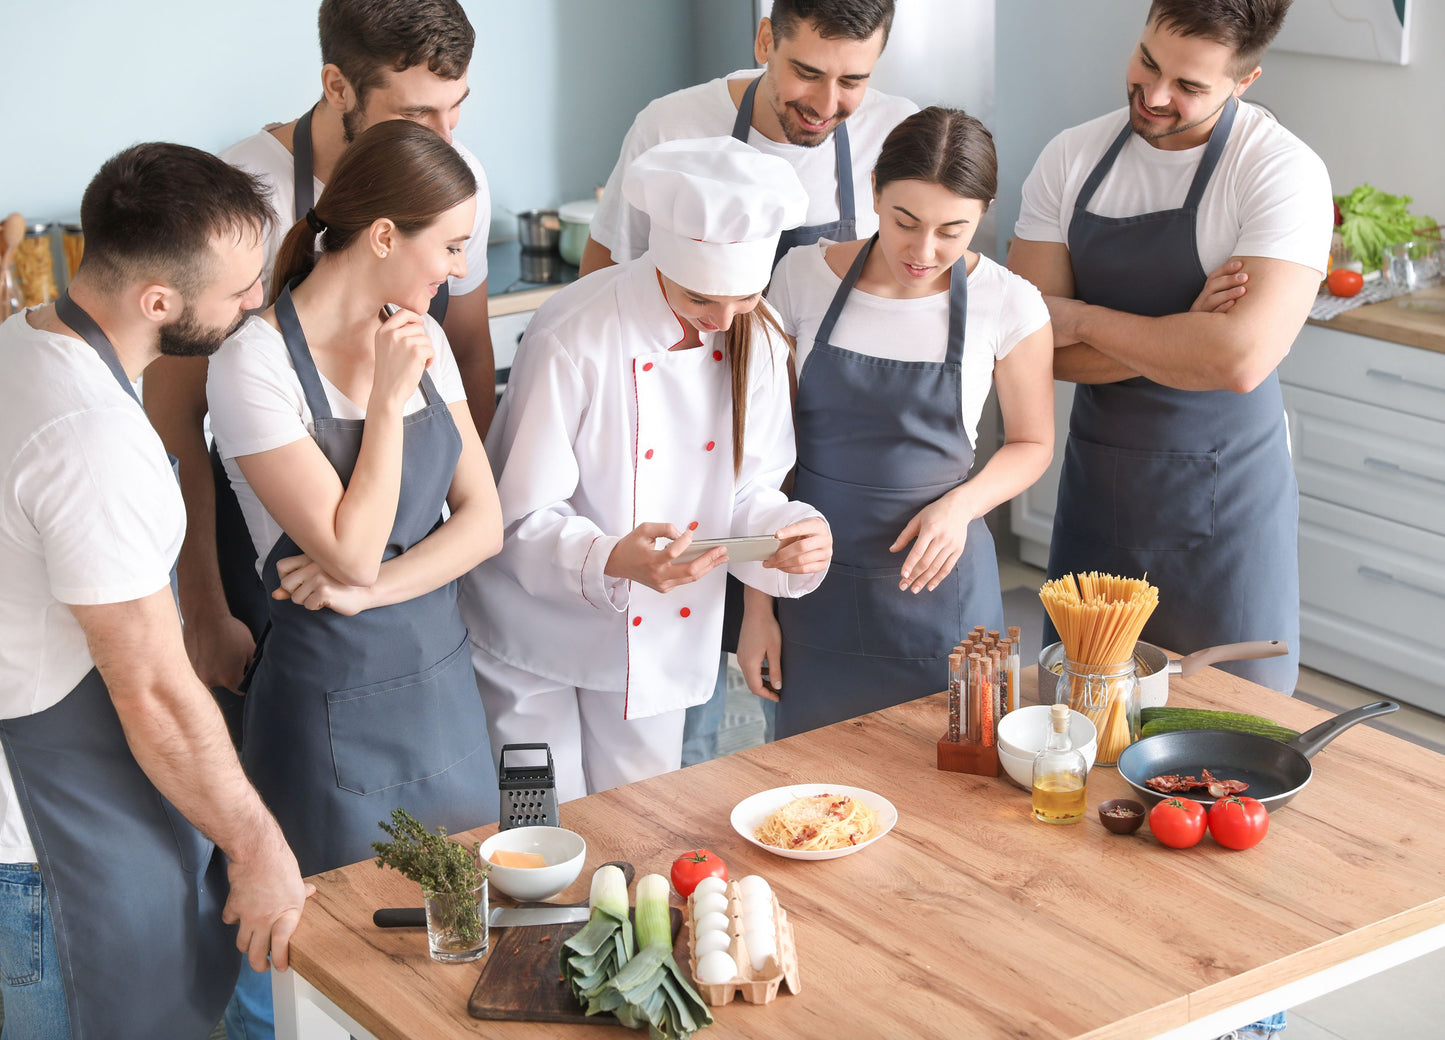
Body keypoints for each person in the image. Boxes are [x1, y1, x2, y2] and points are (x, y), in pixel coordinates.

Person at [0, 142, 310, 1039]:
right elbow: (156, 695)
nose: (257, 301)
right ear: (159, 303)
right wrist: (259, 848)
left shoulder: (23, 340)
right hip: (51, 850)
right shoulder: (88, 439)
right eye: (241, 289)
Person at [207, 119, 503, 1037]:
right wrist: (383, 399)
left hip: (442, 689)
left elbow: (483, 526)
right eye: (447, 247)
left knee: (460, 947)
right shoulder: (252, 362)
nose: (452, 272)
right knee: (330, 972)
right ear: (384, 236)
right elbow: (347, 547)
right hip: (327, 711)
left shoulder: (419, 336)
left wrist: (372, 593)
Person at [143, 0, 497, 744]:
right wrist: (204, 607)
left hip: (414, 608)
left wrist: (454, 543)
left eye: (454, 109)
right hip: (268, 557)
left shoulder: (452, 187)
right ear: (339, 86)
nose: (444, 138)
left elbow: (465, 351)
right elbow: (173, 417)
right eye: (416, 113)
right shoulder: (236, 194)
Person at [583, 0, 916, 764]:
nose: (826, 104)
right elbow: (604, 281)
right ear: (765, 38)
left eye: (853, 81)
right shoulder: (672, 125)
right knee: (683, 697)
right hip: (684, 449)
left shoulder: (895, 137)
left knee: (801, 703)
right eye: (805, 71)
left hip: (825, 451)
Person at [461, 138, 833, 802]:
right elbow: (517, 518)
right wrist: (610, 557)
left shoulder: (762, 334)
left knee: (642, 824)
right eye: (701, 299)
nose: (722, 321)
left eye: (742, 298)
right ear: (662, 260)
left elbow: (746, 491)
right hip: (529, 640)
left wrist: (787, 534)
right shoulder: (572, 332)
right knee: (536, 831)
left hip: (656, 639)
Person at [1008, 0, 1330, 702]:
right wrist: (1183, 330)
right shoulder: (1071, 157)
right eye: (1147, 62)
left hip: (1224, 517)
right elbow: (1027, 346)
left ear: (1243, 82)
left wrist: (1082, 317)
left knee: (1226, 733)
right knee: (1077, 728)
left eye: (1188, 86)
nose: (1153, 96)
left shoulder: (1279, 173)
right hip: (1098, 498)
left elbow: (1238, 361)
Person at [745, 108, 1054, 736]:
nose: (923, 251)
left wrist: (961, 507)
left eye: (953, 230)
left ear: (984, 211)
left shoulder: (1009, 301)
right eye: (904, 222)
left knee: (956, 787)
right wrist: (757, 608)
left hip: (941, 589)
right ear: (876, 192)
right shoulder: (801, 277)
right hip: (810, 582)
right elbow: (762, 456)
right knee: (810, 795)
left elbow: (1033, 442)